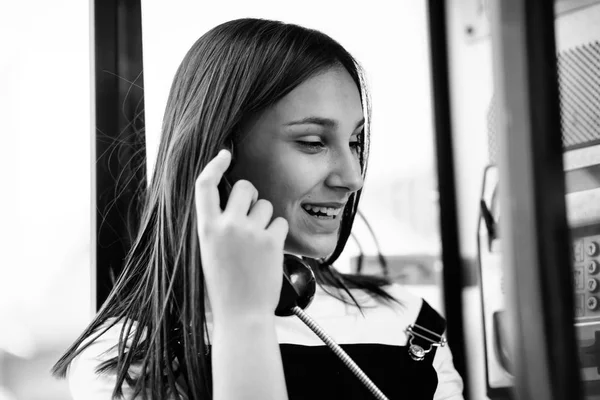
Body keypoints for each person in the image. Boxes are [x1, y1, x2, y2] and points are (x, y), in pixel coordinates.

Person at [52, 17, 464, 400]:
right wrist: (244, 319)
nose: (352, 177)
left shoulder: (407, 321)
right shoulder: (123, 357)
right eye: (313, 142)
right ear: (220, 156)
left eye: (355, 142)